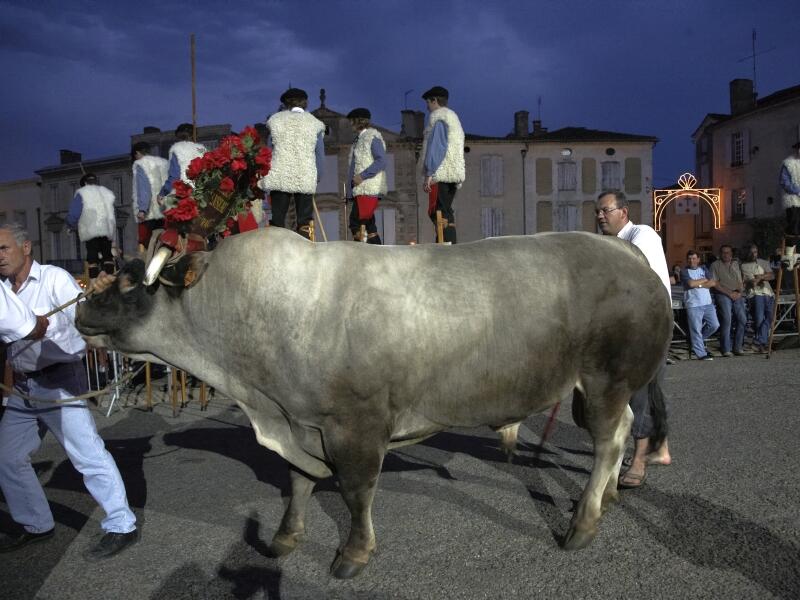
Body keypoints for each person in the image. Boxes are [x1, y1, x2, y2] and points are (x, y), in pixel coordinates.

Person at [0, 224, 138, 559]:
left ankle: (122, 524)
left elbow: (78, 325)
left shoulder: (54, 278)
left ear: (26, 246)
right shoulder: (4, 289)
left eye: (3, 248)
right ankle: (36, 523)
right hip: (23, 387)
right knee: (6, 457)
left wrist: (38, 332)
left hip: (59, 380)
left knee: (86, 454)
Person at [595, 191, 672, 489]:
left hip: (651, 325)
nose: (600, 216)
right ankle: (657, 447)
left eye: (606, 210)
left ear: (623, 212)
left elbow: (629, 274)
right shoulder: (608, 244)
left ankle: (639, 460)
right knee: (636, 393)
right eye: (598, 212)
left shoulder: (643, 234)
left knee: (642, 393)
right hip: (626, 327)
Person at [257, 88, 325, 239]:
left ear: (286, 103)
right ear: (305, 103)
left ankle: (276, 253)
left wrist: (266, 175)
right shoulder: (315, 124)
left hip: (280, 175)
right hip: (305, 175)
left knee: (278, 221)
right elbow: (319, 155)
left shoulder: (275, 121)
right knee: (304, 222)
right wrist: (317, 176)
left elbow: (269, 151)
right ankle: (305, 254)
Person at [421, 86, 465, 244]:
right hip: (453, 174)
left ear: (434, 100)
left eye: (428, 102)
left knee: (438, 211)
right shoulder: (453, 119)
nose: (427, 106)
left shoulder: (439, 119)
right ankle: (445, 243)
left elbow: (437, 148)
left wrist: (429, 174)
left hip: (441, 172)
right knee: (446, 210)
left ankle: (446, 247)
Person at [346, 108, 387, 244]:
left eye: (351, 121)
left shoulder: (371, 137)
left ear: (357, 121)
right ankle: (377, 254)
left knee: (355, 222)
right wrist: (349, 194)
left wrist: (362, 176)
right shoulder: (358, 140)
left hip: (367, 187)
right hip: (359, 189)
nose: (350, 124)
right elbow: (353, 168)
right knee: (369, 224)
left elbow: (381, 160)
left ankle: (364, 253)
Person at [65, 173, 116, 279]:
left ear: (84, 183)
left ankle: (93, 280)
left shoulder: (82, 193)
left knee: (92, 257)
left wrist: (70, 225)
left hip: (91, 229)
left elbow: (74, 212)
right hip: (107, 229)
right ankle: (110, 276)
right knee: (107, 255)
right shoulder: (105, 193)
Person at [680, 249, 720, 360]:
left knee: (715, 325)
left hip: (707, 303)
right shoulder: (684, 271)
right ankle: (701, 354)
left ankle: (697, 343)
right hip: (693, 304)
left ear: (698, 259)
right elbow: (691, 283)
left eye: (693, 258)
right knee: (696, 329)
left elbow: (712, 282)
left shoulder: (703, 268)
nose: (691, 261)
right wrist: (703, 280)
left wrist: (700, 284)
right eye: (689, 259)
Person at [710, 244, 747, 357]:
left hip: (737, 293)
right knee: (727, 319)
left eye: (728, 252)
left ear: (731, 253)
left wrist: (739, 292)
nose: (726, 254)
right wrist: (729, 293)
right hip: (723, 294)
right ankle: (726, 348)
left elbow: (741, 280)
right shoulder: (715, 265)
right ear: (720, 254)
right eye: (724, 252)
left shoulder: (736, 264)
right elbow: (715, 284)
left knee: (743, 319)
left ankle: (738, 347)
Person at [131, 141, 169, 249]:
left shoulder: (141, 164)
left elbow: (144, 189)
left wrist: (142, 210)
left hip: (152, 212)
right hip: (166, 209)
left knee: (149, 245)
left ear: (137, 153)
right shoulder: (163, 163)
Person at [740, 243, 775, 353]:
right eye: (753, 252)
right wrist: (759, 278)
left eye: (756, 251)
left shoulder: (763, 262)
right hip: (755, 294)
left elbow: (772, 275)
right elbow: (750, 281)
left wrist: (761, 277)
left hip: (768, 293)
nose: (755, 254)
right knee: (759, 320)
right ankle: (762, 345)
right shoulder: (743, 266)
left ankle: (757, 341)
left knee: (771, 318)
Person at [159, 123, 207, 199]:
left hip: (184, 194)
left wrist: (163, 192)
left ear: (178, 137)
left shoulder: (177, 149)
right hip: (202, 194)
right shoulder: (203, 150)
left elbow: (175, 176)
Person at [778, 140, 800, 269]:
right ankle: (789, 256)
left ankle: (797, 257)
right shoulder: (789, 163)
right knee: (794, 225)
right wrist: (798, 191)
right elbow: (784, 182)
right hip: (793, 200)